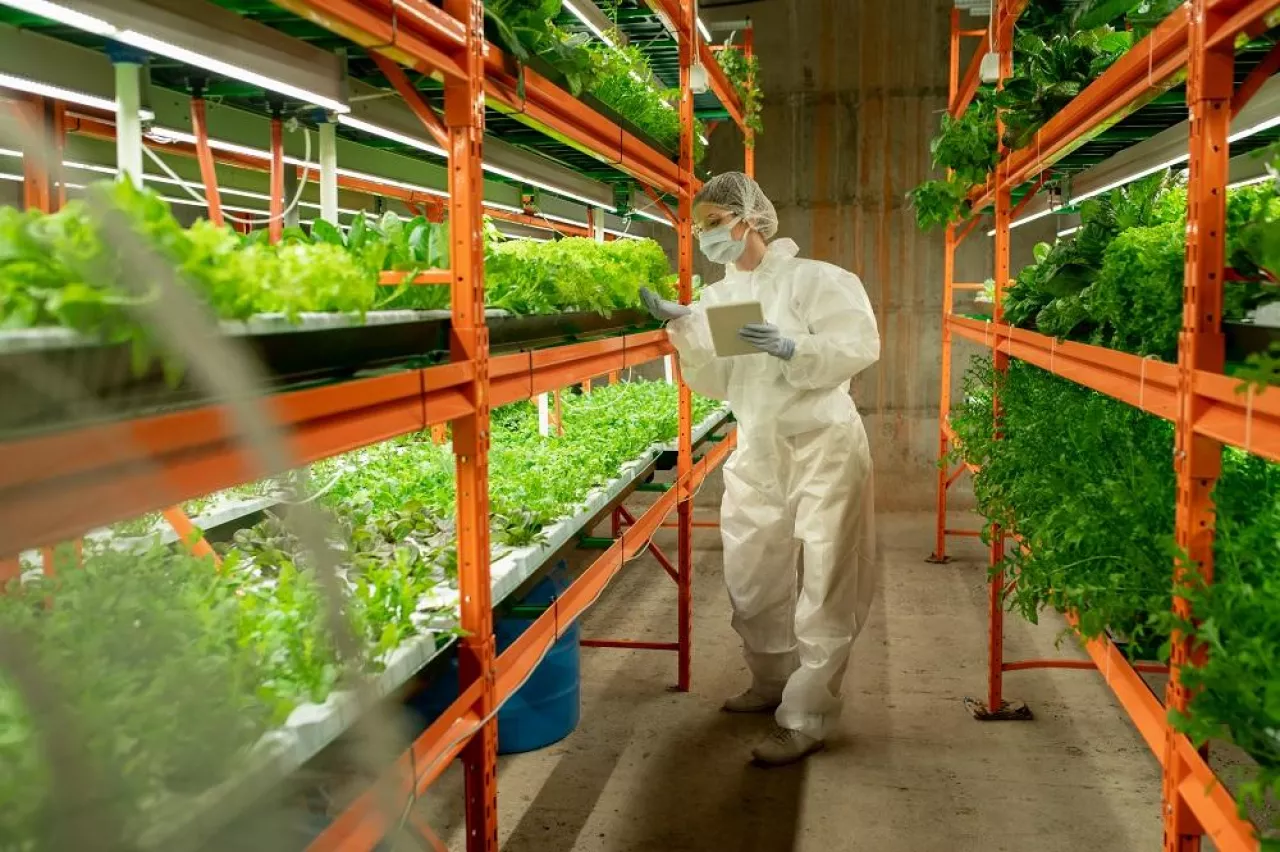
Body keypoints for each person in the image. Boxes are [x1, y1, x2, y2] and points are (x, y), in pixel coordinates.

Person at [638, 172, 879, 767]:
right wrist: (685, 329)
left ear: (749, 218)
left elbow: (860, 343)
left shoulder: (816, 280)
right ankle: (769, 682)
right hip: (759, 448)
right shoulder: (720, 300)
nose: (708, 237)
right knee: (752, 574)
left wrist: (796, 348)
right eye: (700, 229)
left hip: (823, 444)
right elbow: (719, 380)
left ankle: (807, 714)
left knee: (826, 578)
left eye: (715, 223)